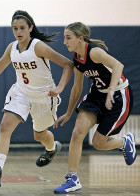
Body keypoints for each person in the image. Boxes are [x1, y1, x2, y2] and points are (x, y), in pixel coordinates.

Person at [0, 10, 74, 187]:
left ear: (30, 28)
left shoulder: (38, 46)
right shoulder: (12, 48)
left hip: (44, 96)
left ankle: (52, 148)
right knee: (5, 126)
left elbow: (68, 64)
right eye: (15, 28)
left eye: (22, 28)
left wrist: (59, 87)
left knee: (40, 135)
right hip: (21, 92)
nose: (18, 32)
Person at [53, 22, 137, 194]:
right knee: (77, 133)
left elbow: (118, 66)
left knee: (98, 143)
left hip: (118, 96)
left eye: (68, 38)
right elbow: (77, 87)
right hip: (96, 95)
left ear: (80, 39)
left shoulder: (94, 52)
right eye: (65, 38)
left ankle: (125, 142)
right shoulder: (77, 58)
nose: (65, 42)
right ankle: (72, 179)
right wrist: (69, 113)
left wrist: (111, 91)